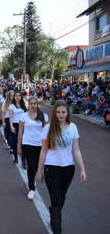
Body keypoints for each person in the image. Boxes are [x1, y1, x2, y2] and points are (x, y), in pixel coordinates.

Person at [37, 100, 87, 234]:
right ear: (54, 113)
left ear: (67, 112)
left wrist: (82, 169)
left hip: (68, 169)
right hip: (51, 168)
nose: (61, 115)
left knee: (61, 197)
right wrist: (39, 171)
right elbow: (43, 150)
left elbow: (76, 150)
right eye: (58, 112)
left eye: (63, 112)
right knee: (56, 198)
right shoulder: (48, 128)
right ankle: (57, 229)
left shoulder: (73, 127)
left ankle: (54, 217)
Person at [18, 97, 48, 200]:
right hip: (28, 143)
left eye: (35, 103)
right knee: (31, 165)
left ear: (37, 104)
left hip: (40, 144)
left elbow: (47, 131)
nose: (33, 105)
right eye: (31, 103)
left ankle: (32, 178)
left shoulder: (43, 116)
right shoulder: (23, 116)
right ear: (28, 104)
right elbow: (20, 132)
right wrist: (19, 146)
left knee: (37, 165)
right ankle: (31, 188)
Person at [9, 91, 28, 165]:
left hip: (23, 125)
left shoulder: (24, 106)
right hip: (15, 124)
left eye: (19, 96)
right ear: (14, 97)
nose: (18, 97)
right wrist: (11, 126)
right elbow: (11, 117)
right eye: (16, 96)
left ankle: (23, 160)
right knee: (14, 141)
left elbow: (27, 116)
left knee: (23, 142)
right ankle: (15, 156)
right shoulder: (12, 106)